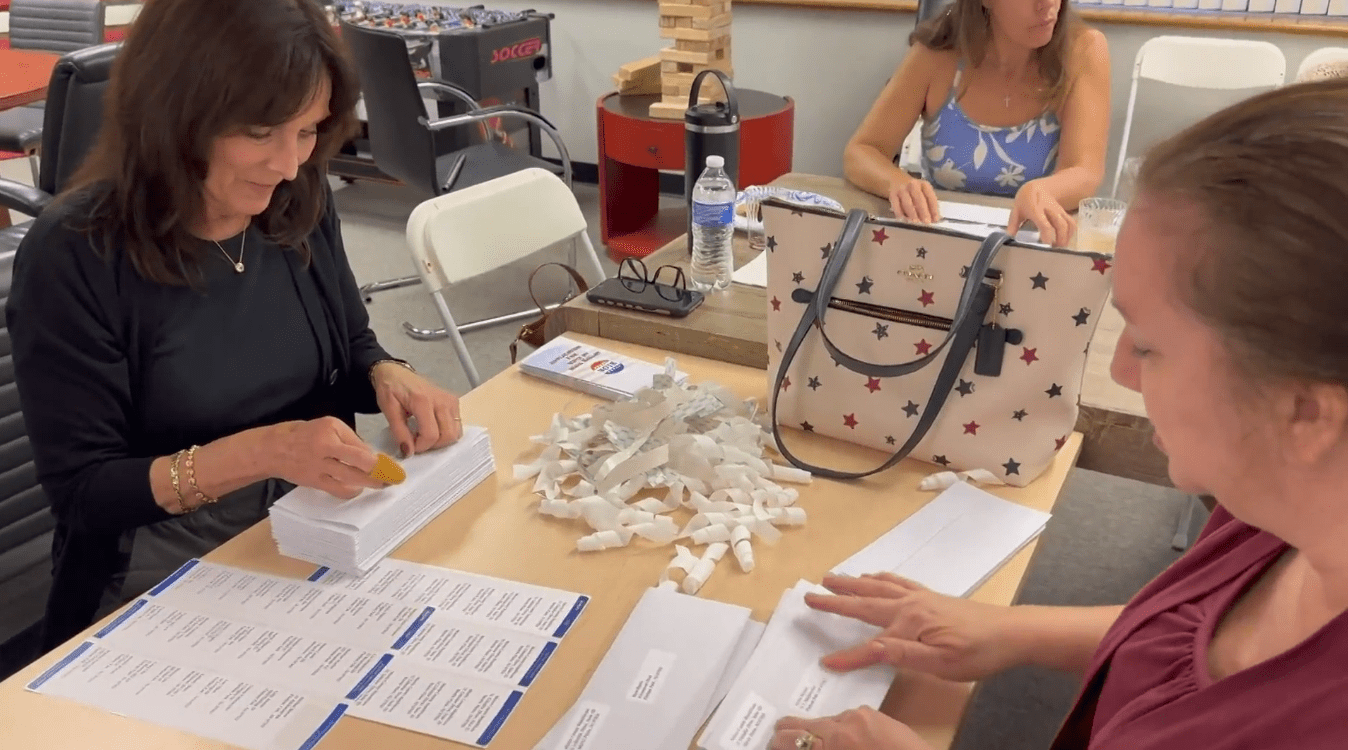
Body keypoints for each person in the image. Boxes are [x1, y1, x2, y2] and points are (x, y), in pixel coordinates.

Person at [771, 79, 1348, 749]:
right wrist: (1010, 631)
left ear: (1304, 414)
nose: (1123, 371)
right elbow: (1197, 628)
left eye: (1151, 346)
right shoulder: (1280, 506)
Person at [7, 0, 463, 651]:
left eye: (307, 131)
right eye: (260, 131)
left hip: (311, 534)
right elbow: (86, 496)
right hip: (160, 582)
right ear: (177, 115)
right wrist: (266, 452)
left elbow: (349, 344)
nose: (288, 163)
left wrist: (390, 374)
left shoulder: (297, 198)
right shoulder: (76, 253)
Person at [843, 0, 1110, 246]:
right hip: (941, 243)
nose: (1048, 4)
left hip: (1038, 245)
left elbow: (1085, 170)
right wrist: (896, 183)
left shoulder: (1085, 50)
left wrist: (1042, 190)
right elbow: (862, 151)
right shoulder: (936, 53)